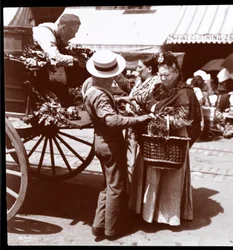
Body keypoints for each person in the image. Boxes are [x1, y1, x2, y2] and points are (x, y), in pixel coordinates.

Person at [81, 50, 154, 238]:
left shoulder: (90, 85)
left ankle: (99, 224)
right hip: (110, 143)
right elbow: (111, 120)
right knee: (117, 186)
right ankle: (111, 230)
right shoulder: (100, 95)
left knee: (108, 184)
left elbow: (101, 104)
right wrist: (139, 119)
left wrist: (121, 99)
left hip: (100, 141)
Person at [128, 51, 202, 226]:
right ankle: (148, 212)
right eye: (160, 74)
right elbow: (148, 103)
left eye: (166, 75)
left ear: (176, 72)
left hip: (174, 138)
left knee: (170, 177)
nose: (162, 78)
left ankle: (168, 215)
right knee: (151, 174)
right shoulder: (158, 88)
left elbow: (185, 118)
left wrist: (159, 122)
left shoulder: (185, 92)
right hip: (153, 138)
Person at [125, 56, 161, 193]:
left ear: (150, 69)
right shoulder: (139, 81)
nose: (137, 69)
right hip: (133, 125)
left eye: (140, 67)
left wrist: (130, 101)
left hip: (145, 128)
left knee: (142, 164)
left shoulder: (156, 82)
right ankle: (131, 194)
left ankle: (139, 197)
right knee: (131, 162)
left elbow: (148, 102)